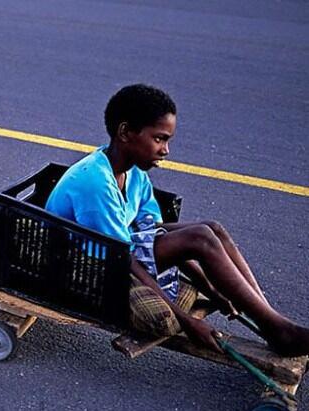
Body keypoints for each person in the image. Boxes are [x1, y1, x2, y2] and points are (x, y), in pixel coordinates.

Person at [45, 84, 309, 356]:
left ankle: (271, 323)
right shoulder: (95, 182)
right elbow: (122, 258)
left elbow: (153, 231)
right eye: (159, 139)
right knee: (200, 238)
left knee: (212, 229)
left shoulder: (133, 174)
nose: (166, 150)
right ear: (125, 133)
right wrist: (187, 320)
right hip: (85, 262)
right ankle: (279, 330)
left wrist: (212, 289)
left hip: (121, 245)